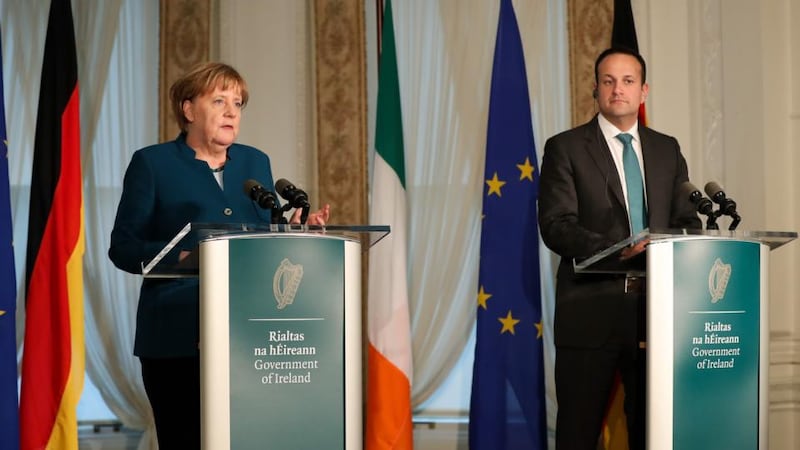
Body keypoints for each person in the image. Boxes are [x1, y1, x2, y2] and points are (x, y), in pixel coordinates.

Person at [108, 62, 330, 449]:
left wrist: (295, 234)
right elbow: (123, 248)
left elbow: (261, 241)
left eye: (238, 103)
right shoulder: (153, 163)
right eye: (220, 101)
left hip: (248, 336)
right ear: (189, 110)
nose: (232, 111)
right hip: (176, 335)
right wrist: (181, 257)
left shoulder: (254, 162)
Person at [537, 47, 702, 450]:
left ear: (643, 91)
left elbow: (687, 221)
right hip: (590, 314)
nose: (618, 90)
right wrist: (620, 248)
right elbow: (556, 226)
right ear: (596, 89)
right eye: (608, 81)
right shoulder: (566, 147)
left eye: (628, 81)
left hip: (656, 316)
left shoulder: (667, 148)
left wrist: (675, 246)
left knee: (653, 433)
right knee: (578, 434)